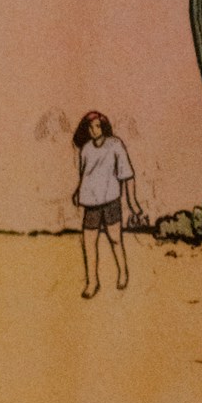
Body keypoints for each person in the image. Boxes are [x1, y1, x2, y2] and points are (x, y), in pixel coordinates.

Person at [72, 104, 136, 293]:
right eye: (90, 127)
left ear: (104, 126)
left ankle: (123, 272)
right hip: (90, 203)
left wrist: (133, 204)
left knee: (115, 239)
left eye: (98, 126)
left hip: (110, 201)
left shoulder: (115, 144)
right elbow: (84, 175)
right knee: (89, 242)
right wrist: (77, 192)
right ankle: (92, 282)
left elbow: (127, 175)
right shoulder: (85, 150)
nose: (94, 130)